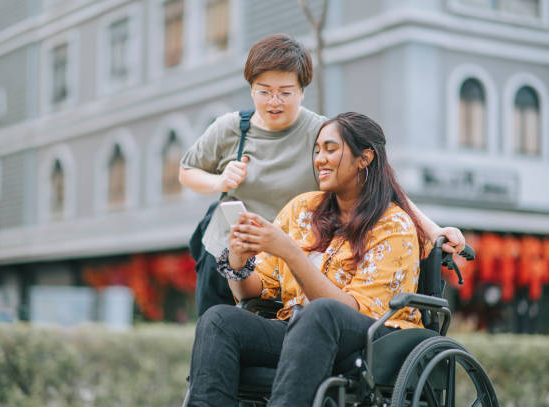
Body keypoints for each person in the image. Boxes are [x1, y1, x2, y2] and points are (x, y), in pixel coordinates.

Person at [179, 33, 464, 316]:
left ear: (303, 91)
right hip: (228, 248)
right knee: (214, 328)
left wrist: (434, 230)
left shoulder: (322, 135)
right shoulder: (229, 128)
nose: (274, 102)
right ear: (251, 89)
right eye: (263, 91)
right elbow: (186, 172)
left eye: (285, 92)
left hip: (284, 259)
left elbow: (380, 184)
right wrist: (220, 181)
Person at [187, 112, 434, 407]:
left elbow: (351, 311)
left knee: (320, 314)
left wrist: (291, 253)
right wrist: (237, 259)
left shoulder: (393, 226)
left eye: (331, 149)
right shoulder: (301, 209)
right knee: (219, 320)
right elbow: (253, 290)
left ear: (364, 158)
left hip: (373, 338)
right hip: (299, 333)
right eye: (317, 150)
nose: (320, 159)